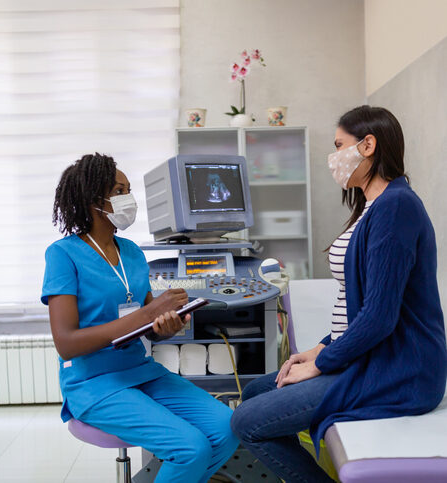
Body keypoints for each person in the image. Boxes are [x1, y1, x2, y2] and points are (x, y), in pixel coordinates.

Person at [230, 105, 447, 482]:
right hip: (368, 356)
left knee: (246, 421)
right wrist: (319, 348)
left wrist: (322, 362)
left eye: (338, 145)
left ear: (368, 145)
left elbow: (379, 317)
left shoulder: (396, 207)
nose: (333, 158)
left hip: (399, 370)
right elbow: (357, 304)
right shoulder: (373, 206)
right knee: (255, 393)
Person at [41, 153, 238, 483]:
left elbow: (150, 328)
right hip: (93, 382)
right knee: (191, 448)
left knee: (226, 428)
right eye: (120, 190)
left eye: (128, 189)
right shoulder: (63, 254)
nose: (128, 198)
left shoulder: (131, 251)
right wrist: (148, 313)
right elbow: (66, 344)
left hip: (141, 371)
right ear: (93, 197)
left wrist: (167, 325)